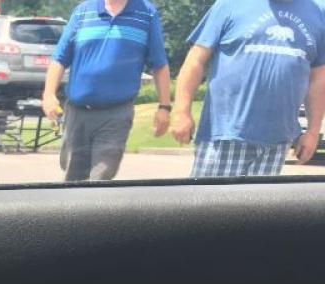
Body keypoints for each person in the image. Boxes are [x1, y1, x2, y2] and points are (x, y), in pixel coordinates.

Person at [172, 0, 325, 177]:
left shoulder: (318, 11)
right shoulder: (229, 4)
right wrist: (181, 111)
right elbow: (195, 60)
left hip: (277, 141)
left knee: (258, 196)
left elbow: (318, 78)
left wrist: (312, 132)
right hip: (225, 135)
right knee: (211, 195)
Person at [43, 0, 172, 181]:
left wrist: (164, 107)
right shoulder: (82, 12)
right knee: (73, 177)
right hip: (77, 112)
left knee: (102, 175)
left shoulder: (147, 14)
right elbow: (59, 58)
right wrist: (49, 95)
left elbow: (159, 64)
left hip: (116, 113)